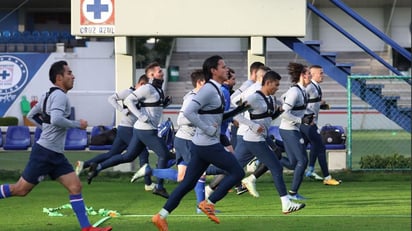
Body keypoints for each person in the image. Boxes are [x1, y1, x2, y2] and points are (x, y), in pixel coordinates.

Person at [0, 61, 112, 231]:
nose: (73, 76)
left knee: (75, 186)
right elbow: (56, 120)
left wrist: (45, 128)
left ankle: (87, 228)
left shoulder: (47, 95)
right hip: (45, 153)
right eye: (69, 73)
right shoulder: (60, 96)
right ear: (59, 78)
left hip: (54, 154)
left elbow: (32, 115)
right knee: (20, 190)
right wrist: (77, 124)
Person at [152, 55, 246, 231]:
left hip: (201, 144)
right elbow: (188, 112)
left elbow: (216, 116)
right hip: (207, 144)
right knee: (238, 172)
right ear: (213, 71)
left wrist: (240, 109)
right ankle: (209, 203)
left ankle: (161, 216)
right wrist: (208, 129)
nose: (227, 70)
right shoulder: (208, 90)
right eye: (223, 67)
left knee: (187, 183)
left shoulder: (216, 89)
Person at [87, 62, 172, 199]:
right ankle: (159, 187)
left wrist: (164, 103)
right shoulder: (148, 88)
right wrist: (140, 115)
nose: (162, 73)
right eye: (159, 71)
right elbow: (128, 100)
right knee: (164, 155)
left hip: (140, 129)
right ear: (151, 75)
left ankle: (97, 168)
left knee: (128, 156)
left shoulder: (158, 89)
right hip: (146, 130)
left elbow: (153, 107)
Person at [131, 69, 207, 213]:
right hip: (186, 141)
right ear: (200, 82)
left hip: (185, 140)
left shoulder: (197, 96)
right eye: (207, 82)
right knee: (200, 172)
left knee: (181, 176)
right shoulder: (192, 98)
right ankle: (201, 207)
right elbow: (181, 119)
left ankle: (149, 170)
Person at [233, 70, 305, 213]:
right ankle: (286, 203)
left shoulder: (270, 99)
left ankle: (207, 181)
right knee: (276, 167)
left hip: (259, 138)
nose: (277, 88)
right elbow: (235, 113)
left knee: (232, 167)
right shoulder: (254, 98)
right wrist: (253, 125)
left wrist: (280, 111)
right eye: (276, 85)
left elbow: (270, 117)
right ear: (268, 83)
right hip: (253, 139)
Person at [75, 74, 156, 190]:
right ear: (142, 84)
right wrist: (122, 110)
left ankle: (85, 164)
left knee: (112, 154)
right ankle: (148, 183)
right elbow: (111, 98)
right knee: (143, 153)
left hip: (124, 129)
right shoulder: (128, 92)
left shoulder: (141, 96)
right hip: (127, 129)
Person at [279, 62, 313, 200]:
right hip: (289, 130)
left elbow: (282, 99)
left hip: (291, 129)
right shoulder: (294, 92)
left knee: (293, 164)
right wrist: (301, 120)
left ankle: (270, 156)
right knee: (303, 160)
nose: (311, 76)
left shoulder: (301, 91)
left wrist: (306, 116)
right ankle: (293, 193)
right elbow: (283, 113)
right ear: (302, 75)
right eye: (309, 74)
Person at [302, 65, 340, 185]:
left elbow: (311, 103)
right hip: (307, 124)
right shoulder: (308, 87)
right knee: (321, 147)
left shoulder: (316, 87)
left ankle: (310, 170)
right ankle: (327, 177)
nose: (322, 75)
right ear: (312, 74)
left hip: (309, 123)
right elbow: (300, 102)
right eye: (320, 73)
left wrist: (320, 104)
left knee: (310, 146)